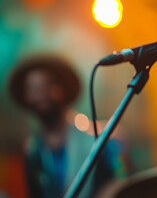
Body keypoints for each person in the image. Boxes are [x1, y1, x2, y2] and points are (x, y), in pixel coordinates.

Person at [9, 55, 124, 198]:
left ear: (63, 89)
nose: (40, 93)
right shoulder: (32, 150)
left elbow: (121, 182)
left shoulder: (102, 137)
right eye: (32, 88)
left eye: (47, 85)